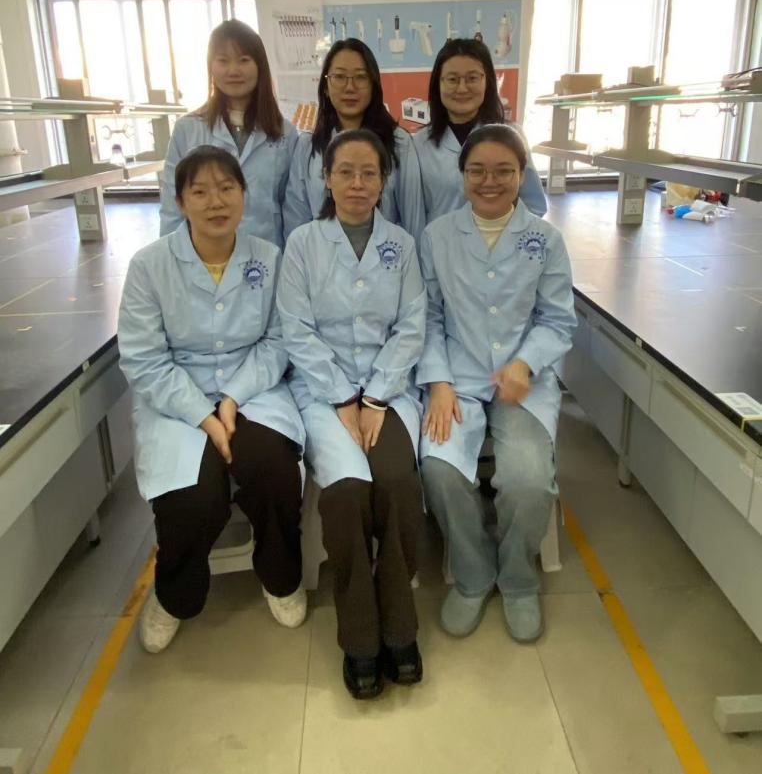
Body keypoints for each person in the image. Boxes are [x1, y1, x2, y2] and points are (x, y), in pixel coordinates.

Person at [119, 145, 307, 653]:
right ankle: (174, 597)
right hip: (177, 400)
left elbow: (279, 340)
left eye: (226, 188)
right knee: (192, 497)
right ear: (180, 201)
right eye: (199, 191)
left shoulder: (269, 258)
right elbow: (144, 359)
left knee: (275, 471)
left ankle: (281, 578)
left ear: (244, 195)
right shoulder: (149, 266)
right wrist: (203, 415)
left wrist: (232, 398)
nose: (215, 202)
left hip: (254, 390)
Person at [277, 129, 425, 700]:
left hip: (387, 391)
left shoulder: (401, 245)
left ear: (384, 181)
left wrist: (376, 397)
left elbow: (412, 327)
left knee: (397, 483)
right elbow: (296, 329)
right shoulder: (302, 244)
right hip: (323, 393)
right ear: (327, 178)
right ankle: (361, 636)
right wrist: (343, 398)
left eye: (369, 173)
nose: (357, 184)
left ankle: (400, 624)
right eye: (346, 172)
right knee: (345, 494)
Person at [417, 125, 575, 644]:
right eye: (477, 170)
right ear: (462, 175)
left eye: (504, 171)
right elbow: (428, 318)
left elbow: (558, 320)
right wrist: (438, 382)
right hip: (458, 377)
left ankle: (518, 579)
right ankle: (472, 573)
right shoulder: (437, 236)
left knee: (528, 480)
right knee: (439, 468)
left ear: (522, 175)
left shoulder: (545, 241)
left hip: (524, 380)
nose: (490, 181)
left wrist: (525, 363)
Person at [159, 19, 298, 248]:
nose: (233, 71)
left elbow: (292, 208)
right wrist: (172, 258)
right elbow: (172, 206)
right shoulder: (188, 129)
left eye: (244, 60)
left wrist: (293, 260)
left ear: (259, 66)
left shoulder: (285, 133)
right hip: (203, 254)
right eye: (223, 61)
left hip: (267, 255)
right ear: (211, 67)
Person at [283, 39, 424, 242]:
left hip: (384, 257)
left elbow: (413, 219)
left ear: (373, 85)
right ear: (325, 86)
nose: (350, 87)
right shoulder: (308, 145)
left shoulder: (398, 142)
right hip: (321, 258)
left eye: (360, 77)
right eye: (339, 77)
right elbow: (296, 219)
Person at [412, 38, 547, 224]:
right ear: (438, 84)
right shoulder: (418, 144)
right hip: (438, 242)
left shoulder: (512, 136)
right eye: (452, 79)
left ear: (487, 81)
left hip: (499, 242)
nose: (462, 88)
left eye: (472, 78)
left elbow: (534, 205)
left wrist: (510, 238)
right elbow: (413, 213)